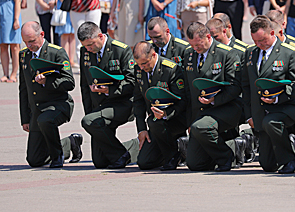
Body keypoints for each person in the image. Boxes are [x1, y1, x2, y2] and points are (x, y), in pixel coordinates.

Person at [242, 16, 295, 173]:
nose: (259, 45)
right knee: (267, 165)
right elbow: (246, 86)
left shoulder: (289, 53)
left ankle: (290, 159)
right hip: (260, 112)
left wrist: (277, 98)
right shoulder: (250, 53)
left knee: (272, 122)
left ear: (272, 33)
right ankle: (291, 144)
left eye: (262, 40)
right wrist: (249, 115)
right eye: (255, 41)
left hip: (285, 107)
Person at [19, 21, 82, 168]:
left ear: (42, 35)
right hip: (37, 110)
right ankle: (69, 143)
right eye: (25, 42)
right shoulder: (24, 55)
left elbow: (69, 82)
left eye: (32, 41)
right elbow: (23, 89)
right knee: (34, 160)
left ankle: (57, 156)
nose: (29, 46)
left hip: (58, 105)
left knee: (46, 120)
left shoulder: (56, 52)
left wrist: (47, 81)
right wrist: (25, 118)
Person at [182, 22, 242, 171]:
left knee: (201, 127)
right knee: (195, 164)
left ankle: (226, 156)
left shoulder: (226, 53)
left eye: (198, 45)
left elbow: (235, 87)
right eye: (192, 45)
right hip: (200, 111)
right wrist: (190, 120)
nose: (195, 49)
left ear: (208, 37)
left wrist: (215, 99)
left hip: (225, 107)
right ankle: (228, 144)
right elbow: (189, 91)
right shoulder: (189, 54)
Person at [77, 22, 136, 169]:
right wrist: (89, 112)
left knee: (88, 122)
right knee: (100, 162)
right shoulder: (85, 52)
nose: (88, 49)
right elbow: (85, 85)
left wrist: (109, 91)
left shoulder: (121, 50)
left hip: (120, 104)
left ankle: (122, 154)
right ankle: (132, 147)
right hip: (99, 106)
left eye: (91, 45)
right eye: (85, 46)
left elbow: (132, 82)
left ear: (100, 36)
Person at [132, 41, 187, 170]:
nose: (142, 67)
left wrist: (166, 113)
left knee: (154, 121)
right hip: (156, 124)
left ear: (153, 55)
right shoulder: (139, 70)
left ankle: (173, 155)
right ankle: (176, 149)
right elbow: (138, 101)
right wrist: (141, 129)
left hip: (175, 119)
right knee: (144, 162)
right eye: (139, 64)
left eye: (145, 63)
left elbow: (183, 101)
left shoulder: (170, 69)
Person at [0, 0, 21, 83]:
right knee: (2, 45)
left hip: (10, 14)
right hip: (0, 15)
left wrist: (16, 18)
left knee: (14, 45)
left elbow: (17, 0)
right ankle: (5, 73)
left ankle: (14, 72)